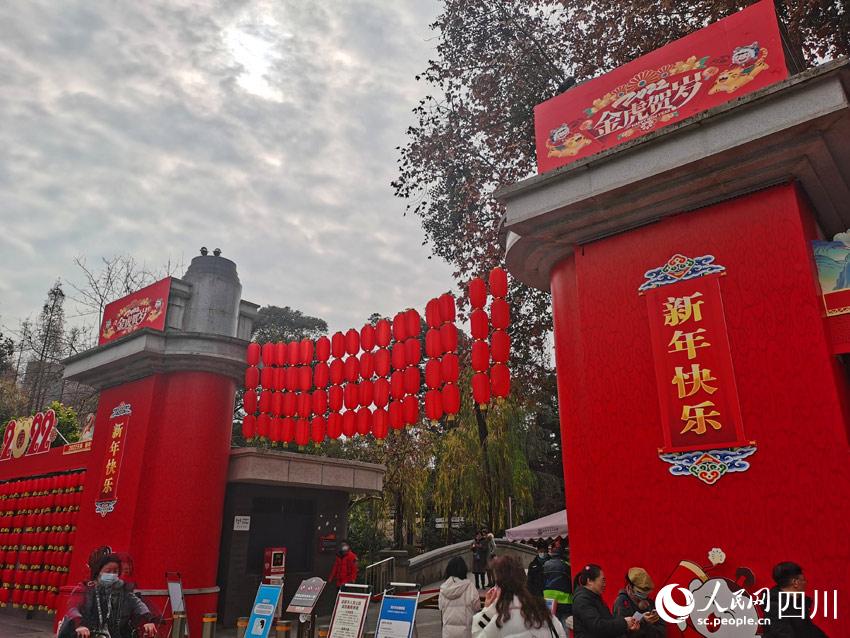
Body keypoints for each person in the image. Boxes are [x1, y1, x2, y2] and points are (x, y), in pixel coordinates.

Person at [58, 552, 157, 638]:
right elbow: (73, 608)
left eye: (115, 571)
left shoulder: (123, 590)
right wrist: (79, 625)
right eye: (108, 571)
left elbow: (138, 605)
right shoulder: (85, 589)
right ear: (98, 572)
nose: (112, 575)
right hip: (87, 634)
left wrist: (146, 620)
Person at [472, 556, 566, 638]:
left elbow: (474, 633)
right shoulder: (544, 614)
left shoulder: (498, 622)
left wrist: (487, 610)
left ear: (500, 587)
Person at [572, 564, 638, 637]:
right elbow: (597, 626)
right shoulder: (582, 600)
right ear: (589, 581)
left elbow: (608, 621)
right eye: (603, 581)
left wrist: (627, 626)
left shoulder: (594, 597)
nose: (605, 584)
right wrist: (624, 623)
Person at [763, 562, 828, 637]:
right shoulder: (774, 607)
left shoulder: (798, 603)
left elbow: (810, 630)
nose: (805, 583)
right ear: (795, 582)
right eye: (804, 580)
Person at [611, 567, 664, 637]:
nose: (643, 597)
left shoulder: (650, 603)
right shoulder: (621, 603)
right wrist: (643, 621)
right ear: (630, 587)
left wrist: (651, 622)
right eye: (639, 593)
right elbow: (620, 633)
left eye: (646, 594)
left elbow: (662, 632)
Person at [439, 556, 481, 638]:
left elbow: (440, 607)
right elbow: (477, 607)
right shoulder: (469, 586)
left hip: (448, 633)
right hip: (465, 633)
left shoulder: (443, 588)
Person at [542, 541, 572, 627]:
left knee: (552, 625)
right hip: (565, 602)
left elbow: (541, 582)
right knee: (564, 625)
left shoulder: (545, 565)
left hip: (549, 601)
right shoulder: (567, 565)